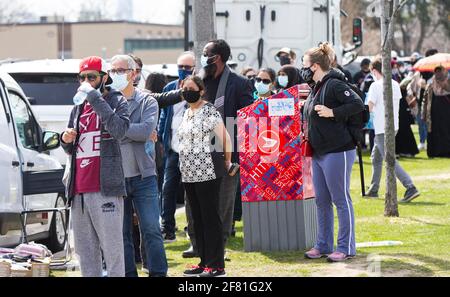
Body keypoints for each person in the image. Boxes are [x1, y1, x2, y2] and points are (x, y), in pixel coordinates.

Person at [60, 56, 130, 277]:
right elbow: (71, 148)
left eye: (92, 77)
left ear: (104, 77)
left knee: (112, 250)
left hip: (105, 187)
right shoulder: (78, 107)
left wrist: (95, 98)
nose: (86, 81)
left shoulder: (117, 102)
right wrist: (66, 139)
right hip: (79, 189)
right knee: (85, 253)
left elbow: (119, 130)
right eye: (82, 77)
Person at [188, 39, 252, 260]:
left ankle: (220, 247)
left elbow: (247, 120)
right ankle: (196, 245)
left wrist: (237, 157)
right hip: (197, 151)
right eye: (203, 54)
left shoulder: (239, 84)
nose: (204, 58)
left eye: (208, 54)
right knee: (194, 202)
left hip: (226, 152)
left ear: (220, 58)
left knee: (222, 204)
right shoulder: (199, 82)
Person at [301, 42, 364, 263]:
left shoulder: (335, 84)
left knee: (340, 199)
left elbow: (358, 104)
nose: (303, 69)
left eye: (305, 65)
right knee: (322, 200)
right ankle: (324, 244)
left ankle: (345, 247)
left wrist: (332, 112)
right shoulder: (315, 87)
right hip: (319, 152)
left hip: (339, 150)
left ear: (315, 66)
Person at [109, 54, 168, 277]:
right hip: (116, 178)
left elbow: (145, 131)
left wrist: (120, 130)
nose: (116, 75)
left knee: (152, 229)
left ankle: (159, 272)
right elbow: (113, 132)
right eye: (112, 71)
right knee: (120, 233)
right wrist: (135, 132)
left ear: (134, 74)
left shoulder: (147, 101)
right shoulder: (107, 102)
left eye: (121, 70)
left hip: (144, 177)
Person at [179, 76, 233, 277]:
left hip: (208, 171)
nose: (187, 91)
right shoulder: (187, 112)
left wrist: (227, 161)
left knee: (210, 218)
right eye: (184, 88)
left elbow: (225, 137)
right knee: (197, 219)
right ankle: (203, 262)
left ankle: (216, 265)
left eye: (191, 88)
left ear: (201, 91)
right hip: (189, 173)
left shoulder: (209, 110)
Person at [366, 57, 420, 203]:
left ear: (374, 70)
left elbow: (369, 107)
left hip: (380, 127)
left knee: (389, 160)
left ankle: (410, 187)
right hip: (392, 126)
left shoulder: (375, 85)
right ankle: (373, 189)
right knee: (376, 157)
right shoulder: (395, 83)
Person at [159, 51, 195, 244]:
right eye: (180, 67)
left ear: (194, 68)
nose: (183, 70)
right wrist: (161, 137)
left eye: (187, 67)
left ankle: (192, 227)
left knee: (191, 191)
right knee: (168, 188)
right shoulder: (170, 87)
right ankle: (167, 228)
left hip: (192, 150)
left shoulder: (198, 88)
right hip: (172, 148)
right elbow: (164, 115)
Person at [423, 66, 450, 158]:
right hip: (434, 110)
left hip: (446, 110)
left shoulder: (448, 80)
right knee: (434, 129)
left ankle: (446, 151)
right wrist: (425, 113)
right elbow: (426, 98)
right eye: (436, 72)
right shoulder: (431, 83)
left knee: (446, 129)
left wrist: (444, 85)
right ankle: (435, 151)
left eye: (440, 72)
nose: (438, 74)